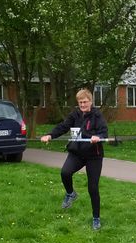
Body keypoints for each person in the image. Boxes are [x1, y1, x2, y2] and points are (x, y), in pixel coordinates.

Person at [41, 89, 108, 230]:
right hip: (77, 153)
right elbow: (63, 127)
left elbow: (104, 132)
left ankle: (96, 218)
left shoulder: (97, 115)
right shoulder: (75, 115)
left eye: (85, 102)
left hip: (93, 156)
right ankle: (71, 194)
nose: (82, 105)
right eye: (80, 102)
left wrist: (98, 137)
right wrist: (50, 135)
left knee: (93, 188)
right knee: (65, 173)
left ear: (90, 101)